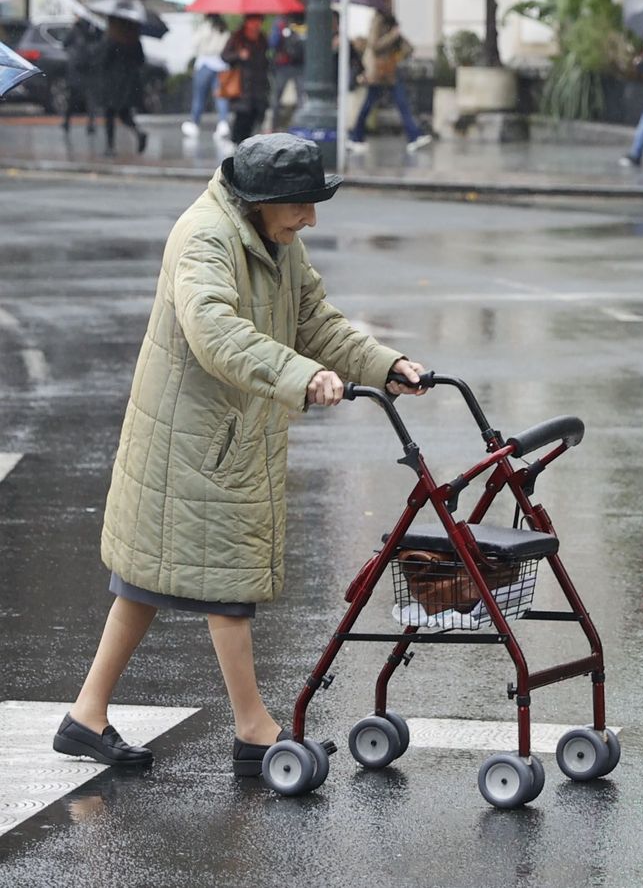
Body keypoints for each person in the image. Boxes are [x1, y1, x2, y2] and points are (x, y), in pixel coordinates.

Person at [52, 133, 429, 776]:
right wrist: (302, 375)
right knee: (225, 582)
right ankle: (254, 729)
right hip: (197, 439)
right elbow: (214, 331)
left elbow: (314, 320)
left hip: (221, 432)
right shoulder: (205, 237)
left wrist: (383, 364)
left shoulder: (274, 237)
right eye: (301, 204)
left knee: (147, 580)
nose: (310, 218)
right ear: (261, 198)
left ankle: (87, 715)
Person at [349, 0, 431, 154]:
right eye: (388, 3)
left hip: (389, 70)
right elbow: (374, 45)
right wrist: (392, 36)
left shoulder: (391, 21)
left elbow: (402, 44)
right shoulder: (378, 20)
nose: (391, 6)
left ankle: (413, 136)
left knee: (401, 102)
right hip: (379, 71)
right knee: (370, 104)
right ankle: (355, 137)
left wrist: (404, 45)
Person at [101, 18, 148, 155]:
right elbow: (141, 61)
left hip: (114, 81)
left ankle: (110, 146)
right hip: (130, 82)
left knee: (110, 113)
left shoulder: (112, 40)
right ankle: (138, 132)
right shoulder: (134, 39)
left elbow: (104, 60)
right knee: (124, 113)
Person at [222, 14, 271, 145]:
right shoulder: (237, 38)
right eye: (253, 21)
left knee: (256, 114)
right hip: (241, 84)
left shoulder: (262, 38)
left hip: (259, 83)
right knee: (242, 115)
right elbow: (225, 56)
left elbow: (266, 58)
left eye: (258, 21)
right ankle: (236, 142)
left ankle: (247, 143)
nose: (256, 25)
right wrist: (239, 55)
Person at [184, 14, 232, 140]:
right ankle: (223, 122)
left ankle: (195, 122)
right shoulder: (224, 28)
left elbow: (195, 43)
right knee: (221, 97)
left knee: (199, 96)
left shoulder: (205, 27)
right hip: (221, 65)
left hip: (205, 63)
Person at [62, 17, 102, 137]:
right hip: (85, 69)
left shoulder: (78, 31)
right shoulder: (91, 30)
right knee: (86, 98)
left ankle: (69, 122)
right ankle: (87, 123)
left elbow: (65, 44)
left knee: (77, 98)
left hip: (81, 70)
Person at [266, 14, 306, 131]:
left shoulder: (280, 22)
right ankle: (298, 126)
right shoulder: (302, 21)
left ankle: (275, 126)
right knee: (300, 97)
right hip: (295, 64)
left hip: (286, 64)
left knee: (277, 97)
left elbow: (272, 43)